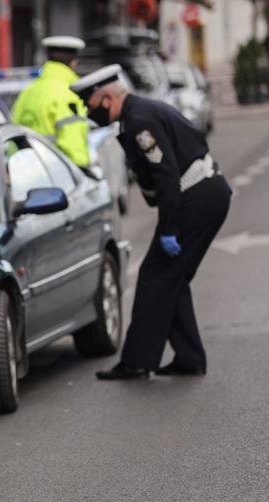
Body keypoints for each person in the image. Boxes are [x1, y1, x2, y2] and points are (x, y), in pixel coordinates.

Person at [69, 65, 232, 380]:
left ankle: (138, 362)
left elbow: (166, 174)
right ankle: (189, 357)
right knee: (172, 277)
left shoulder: (140, 122)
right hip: (204, 193)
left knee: (155, 276)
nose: (90, 115)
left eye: (91, 107)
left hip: (197, 197)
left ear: (106, 99)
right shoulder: (138, 114)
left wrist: (169, 229)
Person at [12, 35, 90, 168]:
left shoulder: (27, 92)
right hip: (59, 174)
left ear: (47, 58)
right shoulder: (69, 94)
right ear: (73, 62)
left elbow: (13, 136)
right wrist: (83, 170)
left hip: (26, 172)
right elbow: (72, 141)